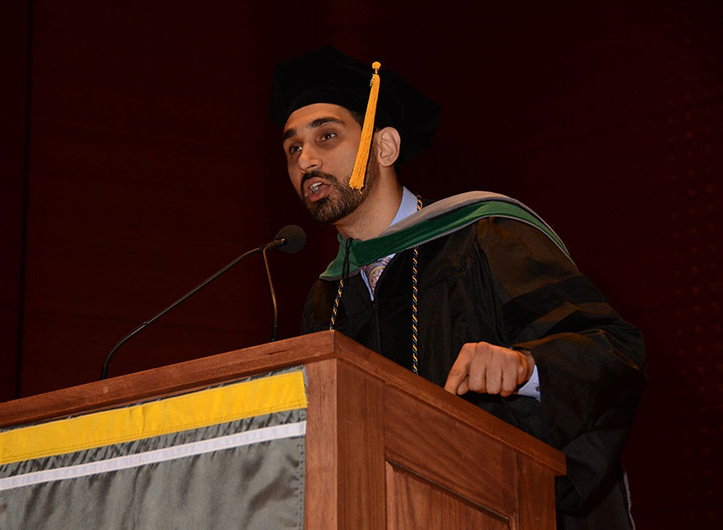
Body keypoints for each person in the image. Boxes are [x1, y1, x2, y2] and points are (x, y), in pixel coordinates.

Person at [270, 47, 646, 529]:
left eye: (327, 135)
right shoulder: (328, 299)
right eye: (293, 149)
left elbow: (615, 351)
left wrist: (526, 367)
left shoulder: (484, 236)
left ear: (385, 148)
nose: (307, 160)